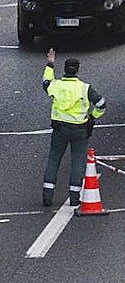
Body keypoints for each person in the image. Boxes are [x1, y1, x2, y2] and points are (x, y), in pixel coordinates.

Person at [42, 49, 106, 207]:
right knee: (78, 161)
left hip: (59, 129)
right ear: (78, 70)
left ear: (65, 69)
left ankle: (47, 196)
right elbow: (101, 104)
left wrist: (50, 63)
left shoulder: (56, 86)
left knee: (54, 159)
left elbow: (45, 82)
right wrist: (93, 118)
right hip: (79, 130)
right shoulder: (85, 88)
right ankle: (74, 197)